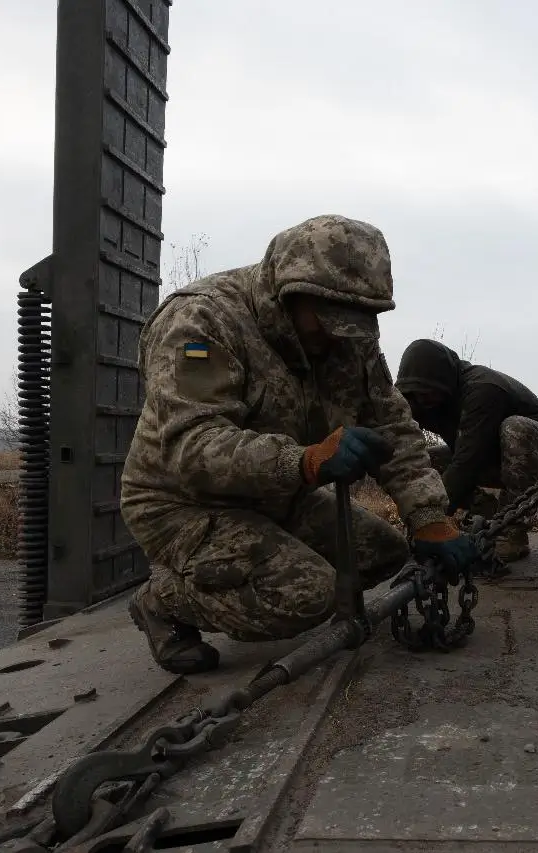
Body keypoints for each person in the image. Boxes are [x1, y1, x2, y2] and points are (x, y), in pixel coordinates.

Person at [119, 214, 479, 675]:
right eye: (327, 319)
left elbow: (393, 425)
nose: (337, 335)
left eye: (352, 322)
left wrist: (429, 517)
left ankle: (268, 568)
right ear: (288, 292)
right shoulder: (202, 321)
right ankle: (162, 602)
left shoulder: (345, 338)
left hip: (276, 493)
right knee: (308, 595)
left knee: (381, 552)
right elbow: (192, 446)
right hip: (180, 502)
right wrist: (303, 462)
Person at [394, 339, 538, 562]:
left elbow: (467, 462)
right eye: (416, 393)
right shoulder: (424, 401)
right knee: (428, 459)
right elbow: (400, 441)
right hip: (492, 457)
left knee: (515, 428)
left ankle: (511, 531)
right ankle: (487, 512)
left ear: (444, 382)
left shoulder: (483, 389)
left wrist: (433, 521)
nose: (423, 399)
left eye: (428, 392)